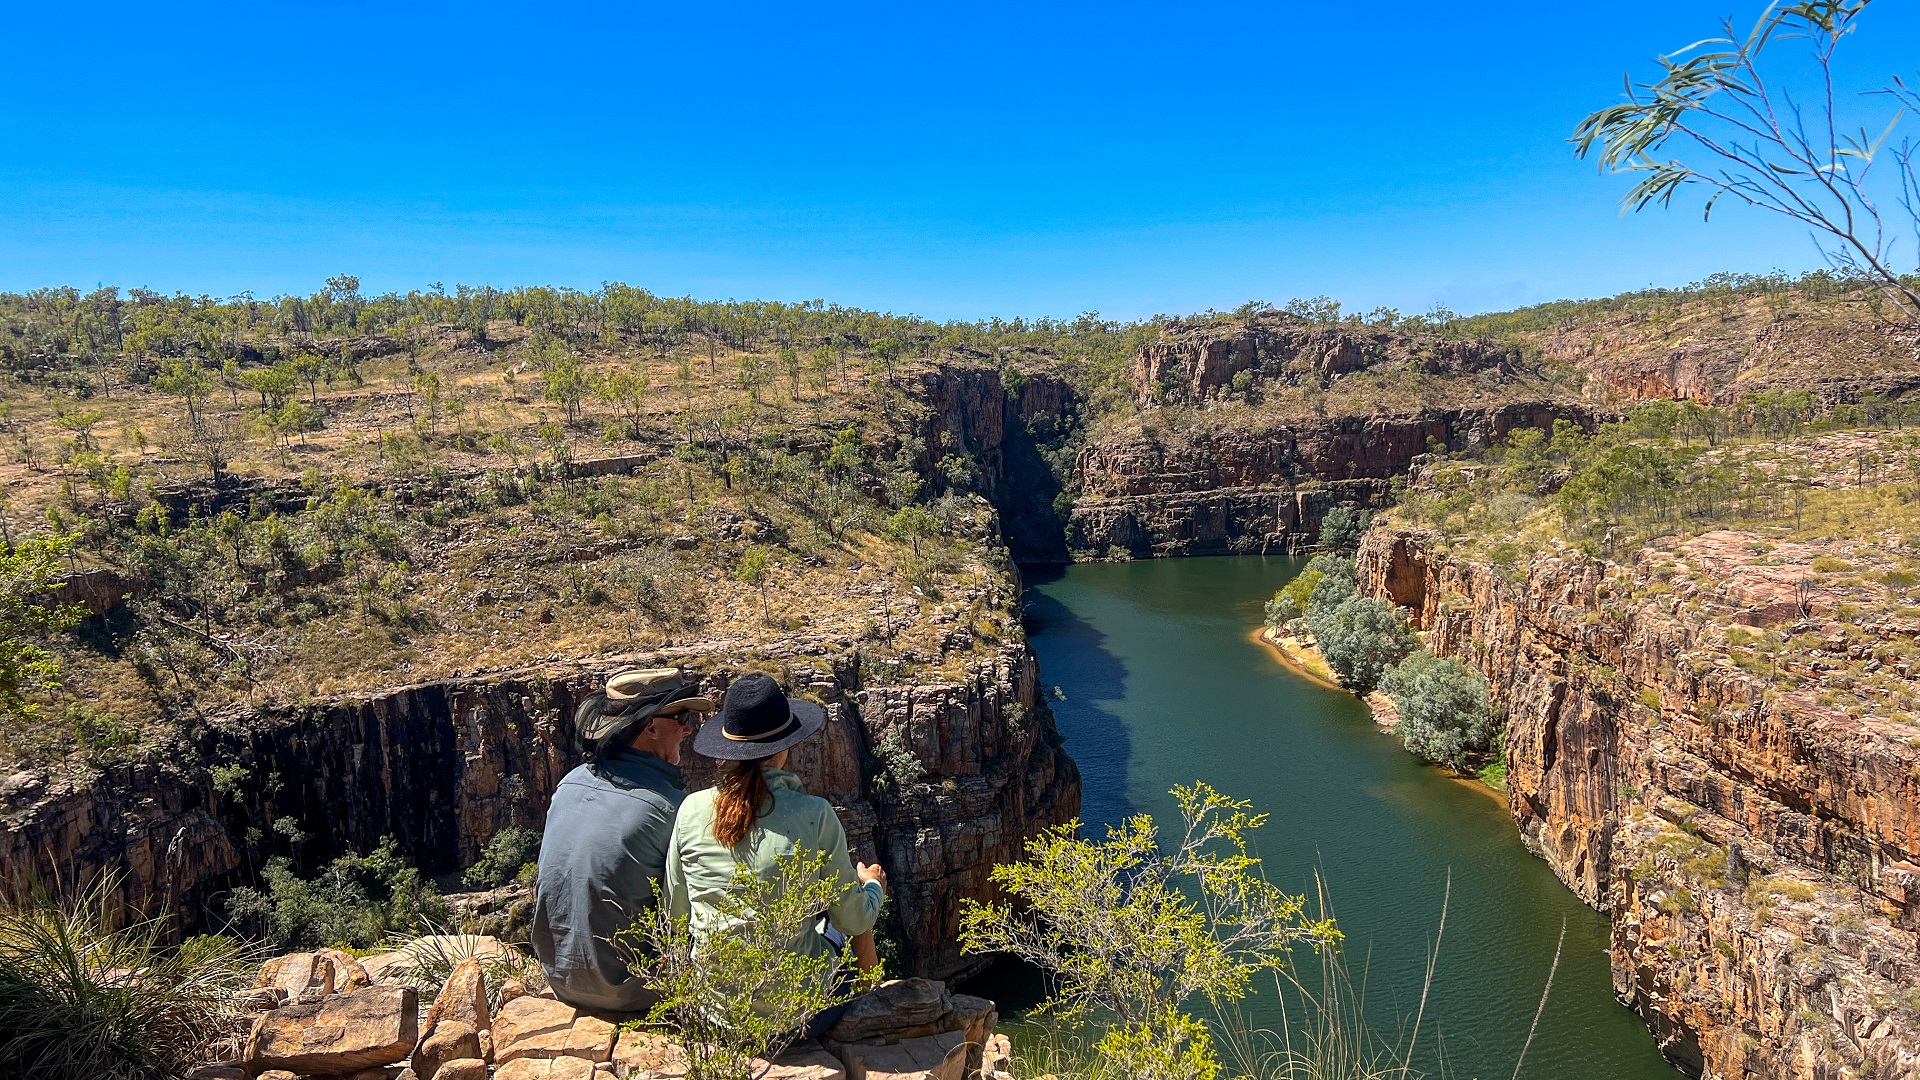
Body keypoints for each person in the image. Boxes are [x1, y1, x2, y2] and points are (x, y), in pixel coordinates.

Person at [665, 674, 888, 1034]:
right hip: (798, 1016)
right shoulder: (814, 813)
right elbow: (853, 919)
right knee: (847, 915)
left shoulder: (690, 810)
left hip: (716, 1013)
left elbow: (675, 912)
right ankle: (874, 1015)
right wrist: (873, 887)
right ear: (785, 747)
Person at [530, 667, 715, 1014]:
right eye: (681, 716)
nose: (689, 727)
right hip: (631, 991)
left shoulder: (570, 783)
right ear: (651, 727)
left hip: (558, 979)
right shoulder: (671, 808)